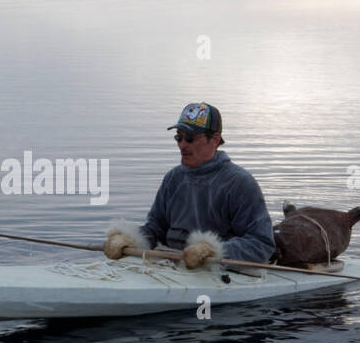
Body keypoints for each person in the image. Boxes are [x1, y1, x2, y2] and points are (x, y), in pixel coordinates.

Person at [104, 102, 277, 268]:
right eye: (178, 137)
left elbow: (261, 243)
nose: (182, 145)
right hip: (171, 264)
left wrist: (214, 251)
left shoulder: (239, 182)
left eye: (190, 138)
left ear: (215, 140)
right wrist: (130, 239)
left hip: (217, 271)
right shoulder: (173, 178)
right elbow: (156, 229)